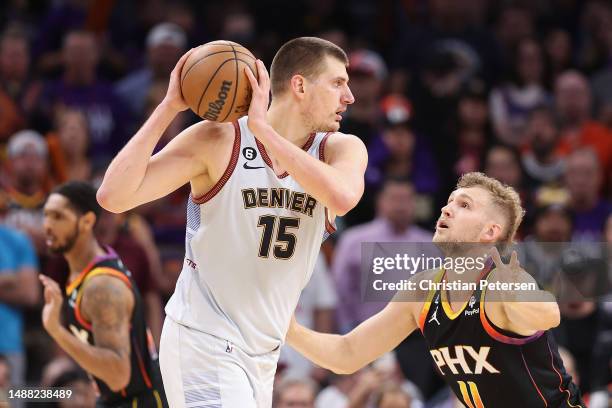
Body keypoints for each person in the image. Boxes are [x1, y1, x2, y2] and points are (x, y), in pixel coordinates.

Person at [96, 36, 367, 407]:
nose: (349, 96)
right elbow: (113, 197)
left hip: (263, 352)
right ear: (300, 85)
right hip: (203, 338)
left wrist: (265, 131)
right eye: (338, 83)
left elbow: (342, 197)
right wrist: (169, 106)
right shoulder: (219, 140)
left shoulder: (341, 149)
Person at [288, 172, 585, 407]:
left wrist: (514, 293)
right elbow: (347, 354)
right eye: (450, 201)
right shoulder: (421, 291)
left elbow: (548, 313)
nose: (446, 208)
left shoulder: (502, 280)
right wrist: (284, 326)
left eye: (464, 205)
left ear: (490, 232)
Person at [39, 181, 167, 407]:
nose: (48, 225)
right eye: (46, 215)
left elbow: (118, 376)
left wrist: (57, 332)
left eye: (58, 217)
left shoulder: (102, 287)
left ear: (87, 221)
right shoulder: (84, 269)